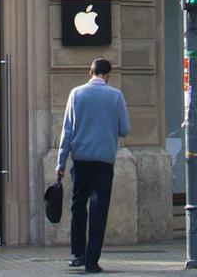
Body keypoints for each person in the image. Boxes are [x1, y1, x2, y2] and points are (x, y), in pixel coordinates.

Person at [55, 58, 130, 274]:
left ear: (91, 72)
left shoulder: (76, 94)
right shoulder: (116, 96)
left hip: (81, 160)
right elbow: (124, 129)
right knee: (99, 208)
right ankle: (92, 260)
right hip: (104, 161)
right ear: (108, 75)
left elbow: (67, 131)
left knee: (78, 204)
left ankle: (77, 254)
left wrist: (61, 162)